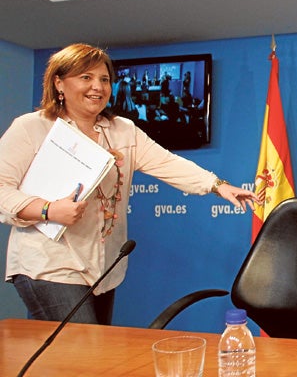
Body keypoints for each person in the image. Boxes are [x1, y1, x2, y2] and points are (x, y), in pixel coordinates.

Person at [0, 43, 259, 326]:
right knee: (79, 353)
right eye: (85, 77)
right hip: (48, 265)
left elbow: (167, 163)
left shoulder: (122, 130)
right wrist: (48, 210)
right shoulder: (31, 127)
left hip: (103, 269)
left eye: (104, 79)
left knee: (90, 355)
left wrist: (217, 185)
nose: (97, 87)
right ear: (58, 83)